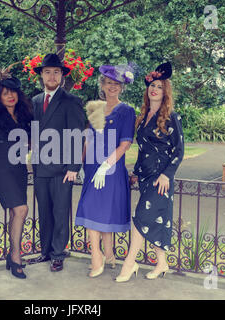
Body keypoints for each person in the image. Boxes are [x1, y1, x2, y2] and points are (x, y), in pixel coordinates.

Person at [115, 61, 184, 282]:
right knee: (155, 220)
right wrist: (135, 172)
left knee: (141, 218)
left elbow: (179, 150)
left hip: (160, 178)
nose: (154, 89)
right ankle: (162, 263)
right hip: (145, 176)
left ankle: (129, 263)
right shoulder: (143, 115)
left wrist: (167, 174)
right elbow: (144, 148)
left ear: (165, 92)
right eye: (152, 85)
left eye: (159, 86)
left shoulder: (172, 116)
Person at [75, 64, 137, 278]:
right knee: (98, 210)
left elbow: (125, 144)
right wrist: (82, 166)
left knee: (97, 209)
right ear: (102, 85)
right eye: (108, 83)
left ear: (121, 87)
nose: (112, 87)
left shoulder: (127, 111)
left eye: (116, 84)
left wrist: (105, 166)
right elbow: (88, 139)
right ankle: (109, 254)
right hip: (92, 167)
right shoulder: (95, 108)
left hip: (110, 169)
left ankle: (97, 257)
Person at [27, 53, 86, 272]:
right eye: (48, 72)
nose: (52, 76)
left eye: (56, 72)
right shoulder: (34, 101)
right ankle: (45, 252)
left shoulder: (71, 101)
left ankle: (58, 253)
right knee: (44, 211)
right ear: (41, 75)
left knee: (60, 211)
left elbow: (77, 134)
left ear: (62, 75)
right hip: (41, 167)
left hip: (63, 169)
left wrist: (73, 167)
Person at [0, 66, 33, 279]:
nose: (10, 96)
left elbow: (32, 142)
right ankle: (16, 256)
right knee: (22, 209)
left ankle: (11, 254)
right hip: (1, 165)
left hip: (19, 166)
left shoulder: (25, 115)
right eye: (5, 93)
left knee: (16, 212)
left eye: (13, 92)